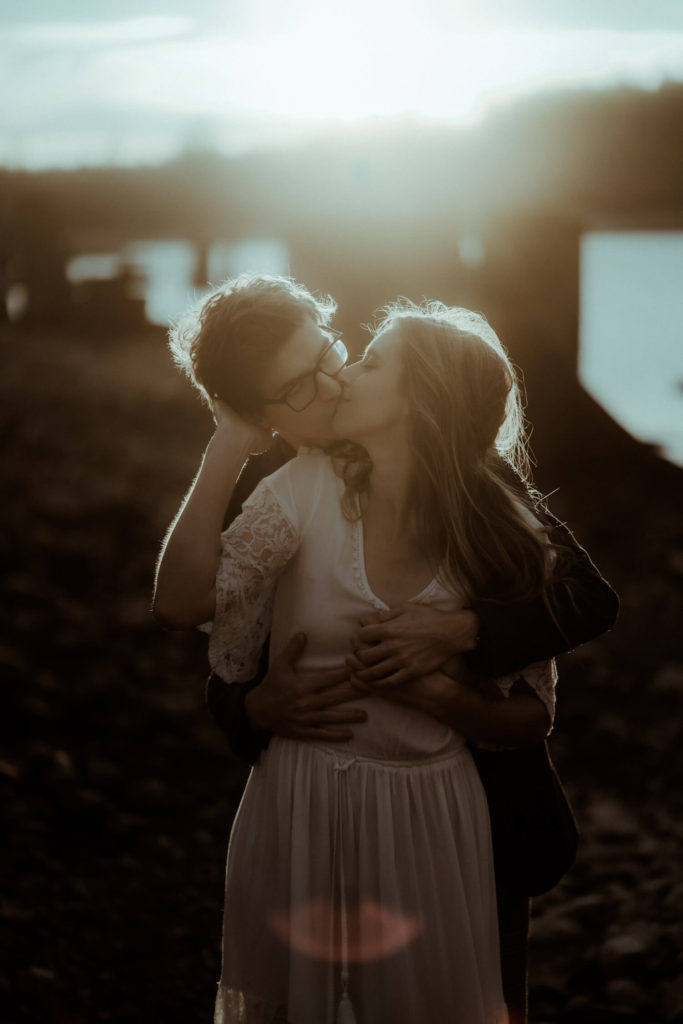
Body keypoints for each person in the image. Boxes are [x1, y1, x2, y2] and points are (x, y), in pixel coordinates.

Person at [154, 280, 617, 1024]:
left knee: (480, 993)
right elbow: (203, 617)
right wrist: (249, 706)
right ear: (266, 418)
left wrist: (464, 631)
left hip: (464, 806)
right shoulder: (294, 491)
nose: (334, 380)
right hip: (313, 800)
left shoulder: (474, 482)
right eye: (301, 386)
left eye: (334, 356)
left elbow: (587, 599)